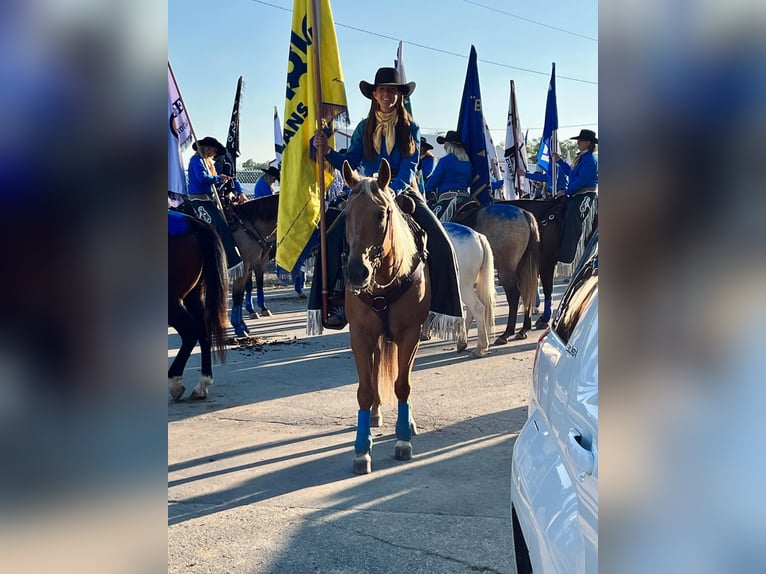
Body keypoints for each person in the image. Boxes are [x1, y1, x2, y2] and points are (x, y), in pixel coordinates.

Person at [311, 66, 463, 335]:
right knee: (331, 236)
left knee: (441, 241)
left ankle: (440, 306)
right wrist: (327, 151)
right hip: (367, 191)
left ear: (399, 95)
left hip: (402, 192)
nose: (386, 95)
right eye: (382, 90)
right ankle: (332, 301)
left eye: (392, 91)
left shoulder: (411, 128)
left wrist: (391, 189)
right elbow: (353, 161)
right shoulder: (363, 127)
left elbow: (409, 166)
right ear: (374, 95)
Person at [186, 136, 244, 279]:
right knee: (216, 222)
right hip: (198, 199)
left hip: (208, 198)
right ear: (207, 148)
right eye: (213, 150)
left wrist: (222, 181)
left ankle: (225, 256)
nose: (214, 153)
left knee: (223, 220)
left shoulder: (207, 162)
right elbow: (202, 179)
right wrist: (219, 178)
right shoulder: (196, 161)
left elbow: (211, 182)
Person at [552, 129, 598, 264]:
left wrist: (566, 192)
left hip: (585, 194)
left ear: (587, 143)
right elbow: (572, 174)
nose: (578, 143)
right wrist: (560, 161)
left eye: (581, 140)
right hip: (576, 193)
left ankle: (567, 257)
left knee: (573, 215)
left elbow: (582, 180)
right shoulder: (581, 158)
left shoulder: (590, 159)